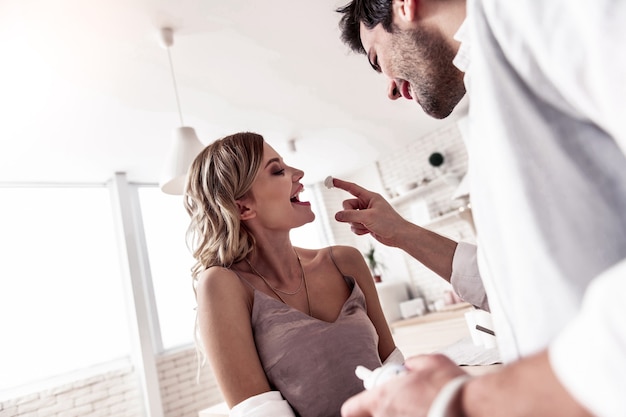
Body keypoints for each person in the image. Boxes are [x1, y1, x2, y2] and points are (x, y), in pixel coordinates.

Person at [332, 0, 626, 416]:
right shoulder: (489, 92)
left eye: (378, 59)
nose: (389, 88)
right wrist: (401, 233)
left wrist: (461, 401)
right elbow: (518, 283)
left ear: (403, 5)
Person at [183, 132, 402, 417]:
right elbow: (260, 412)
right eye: (278, 171)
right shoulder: (222, 285)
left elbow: (394, 369)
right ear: (242, 207)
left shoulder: (345, 261)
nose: (299, 174)